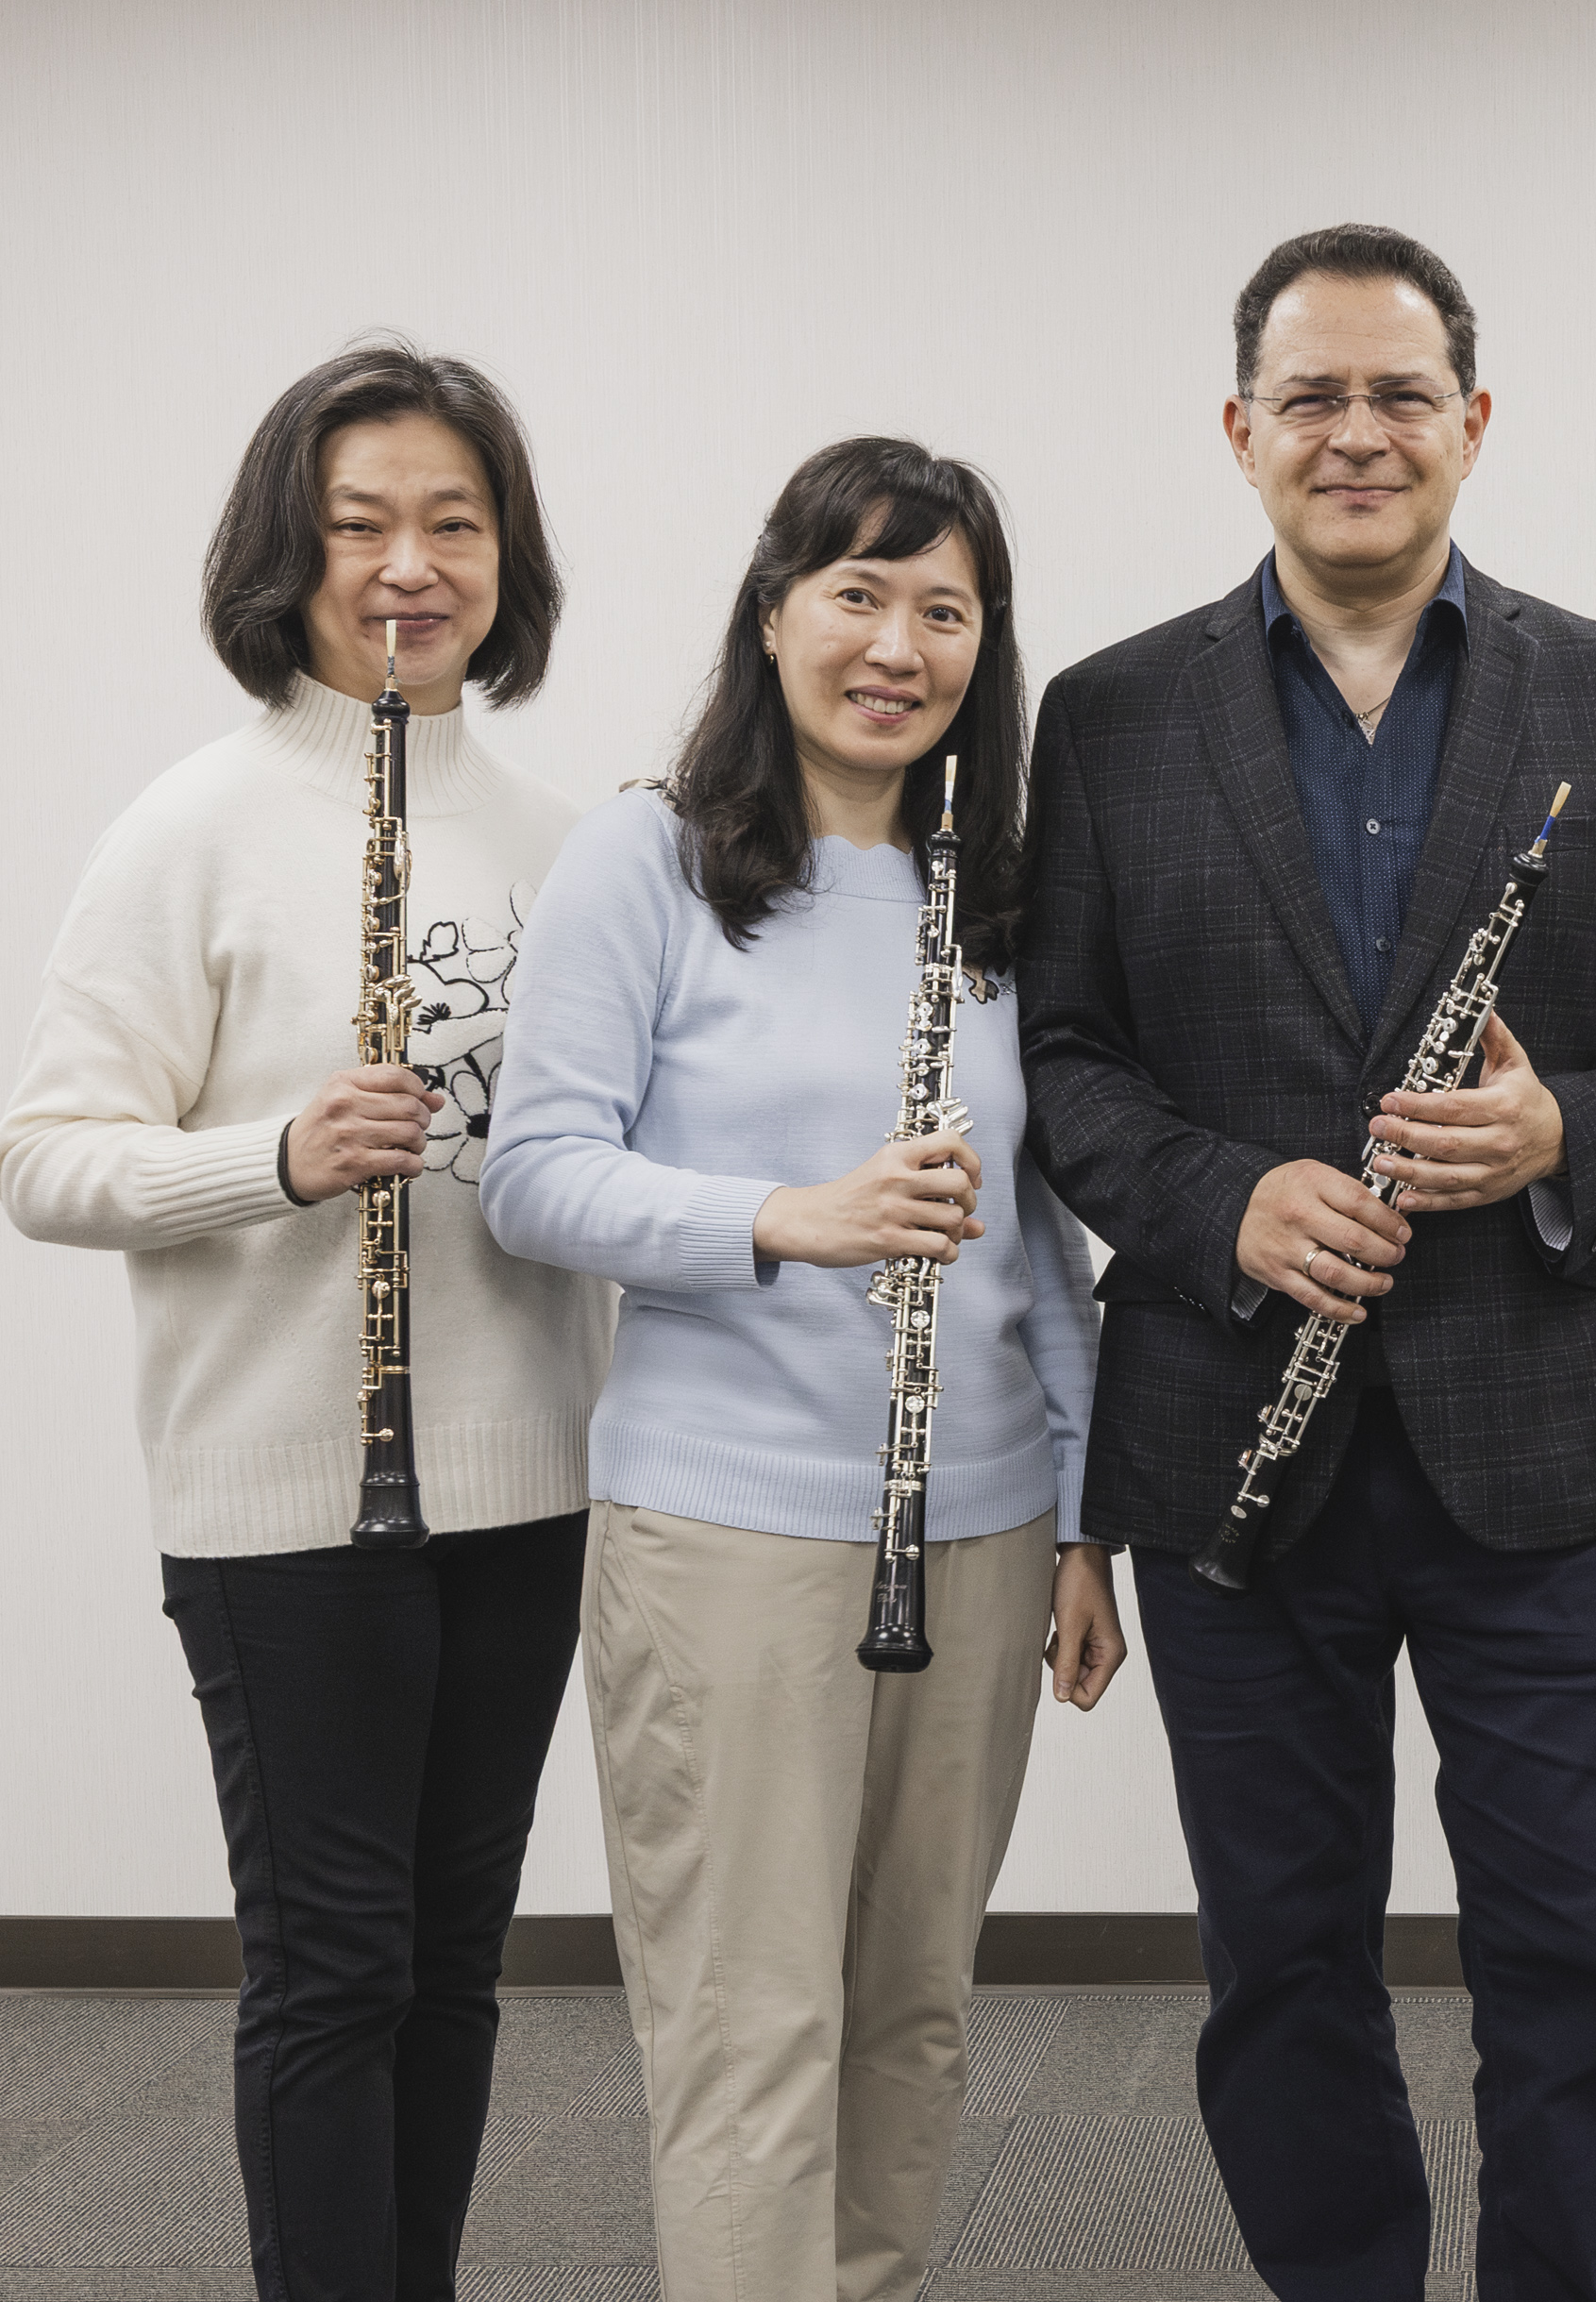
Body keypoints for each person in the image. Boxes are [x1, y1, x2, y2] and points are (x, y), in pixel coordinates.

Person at [1019, 223, 1596, 2301]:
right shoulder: (1102, 714)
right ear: (1241, 428)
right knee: (1276, 1964)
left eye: (1398, 394)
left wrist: (1565, 1135)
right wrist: (1214, 1199)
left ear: (1471, 420)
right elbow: (1062, 1059)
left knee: (1572, 1957)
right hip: (1219, 1439)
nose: (1357, 434)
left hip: (1532, 1435)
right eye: (1314, 398)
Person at [0, 342, 612, 2302]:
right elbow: (40, 1157)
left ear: (505, 553)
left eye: (452, 522)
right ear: (291, 549)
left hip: (522, 1478)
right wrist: (270, 1154)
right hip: (280, 1500)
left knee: (449, 1961)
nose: (408, 565)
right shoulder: (186, 825)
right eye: (361, 525)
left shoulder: (565, 838)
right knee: (332, 1963)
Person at [477, 437, 1121, 2300]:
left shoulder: (991, 900)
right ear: (772, 613)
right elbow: (533, 1172)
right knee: (749, 2028)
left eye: (944, 608)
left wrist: (1086, 1520)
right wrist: (786, 1214)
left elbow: (1041, 1245)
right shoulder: (650, 858)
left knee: (912, 2009)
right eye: (857, 591)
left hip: (987, 1528)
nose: (897, 642)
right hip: (726, 1532)